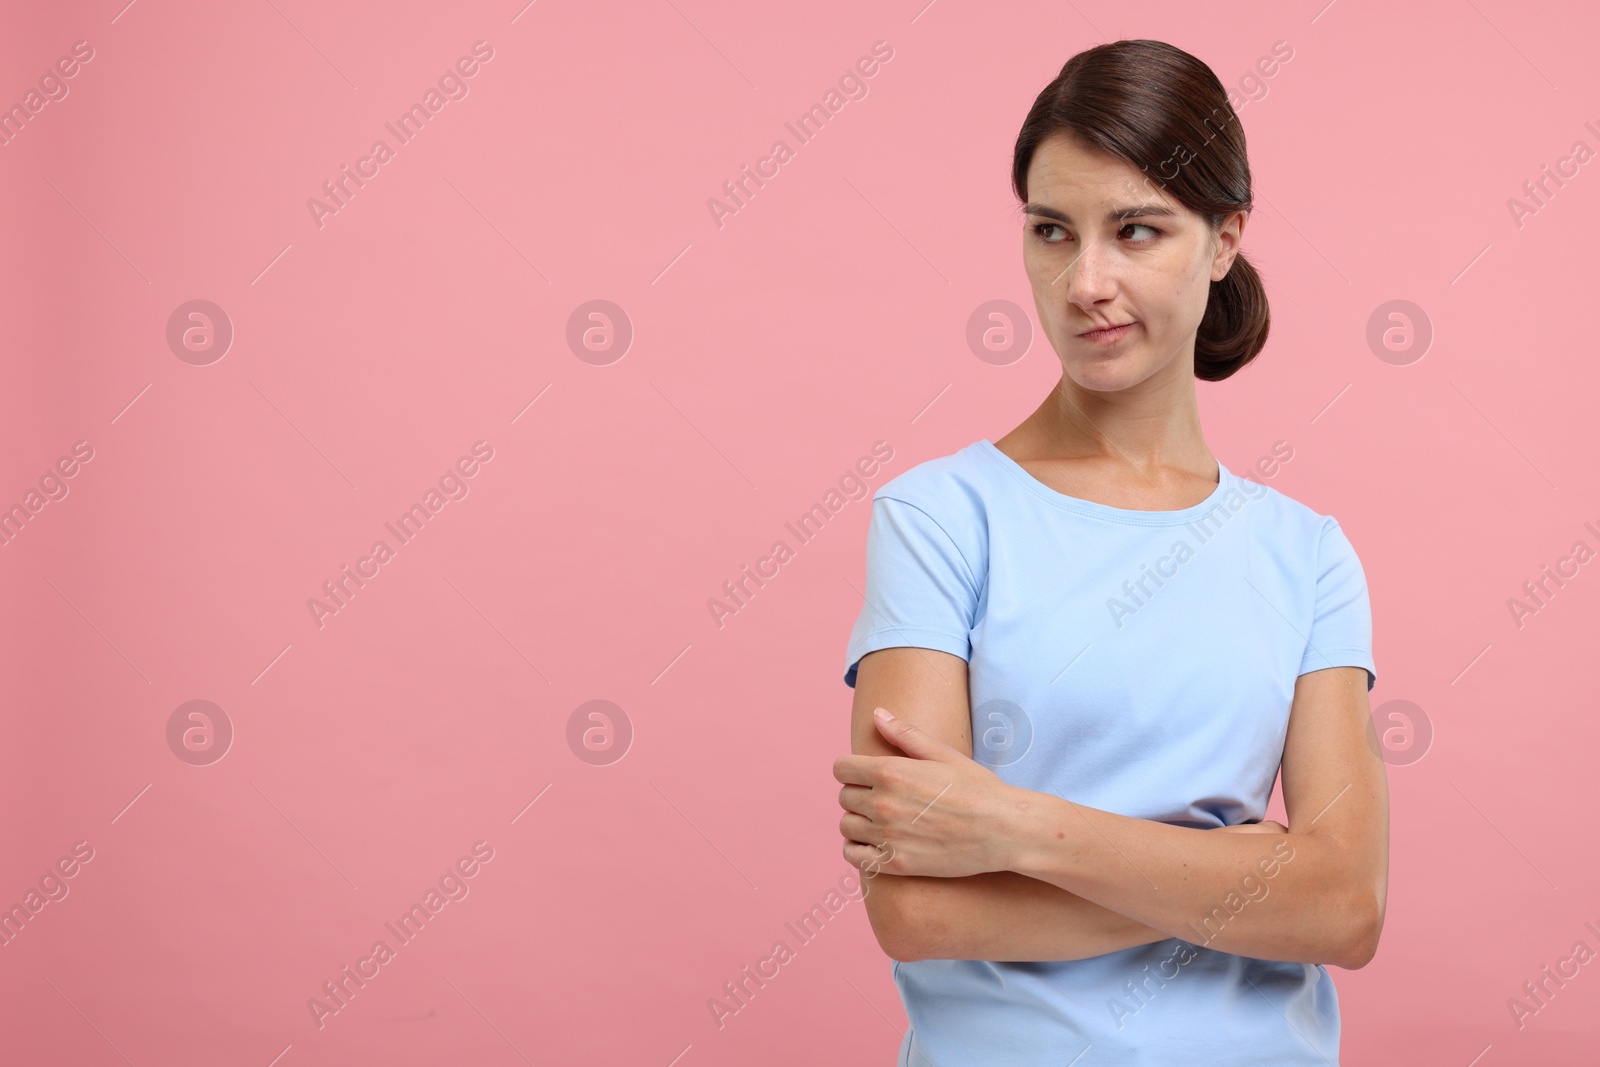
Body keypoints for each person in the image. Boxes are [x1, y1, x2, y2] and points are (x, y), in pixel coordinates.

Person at [832, 39, 1388, 1066]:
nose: (1085, 281)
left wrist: (1013, 828)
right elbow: (917, 910)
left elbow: (1345, 906)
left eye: (1136, 230)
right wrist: (1246, 874)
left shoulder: (1306, 554)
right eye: (1053, 231)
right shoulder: (937, 519)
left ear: (1223, 240)